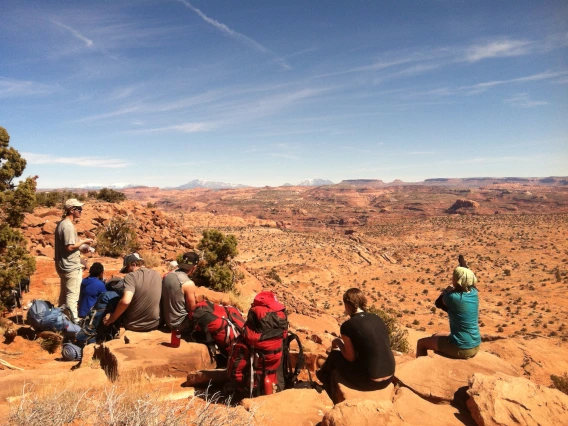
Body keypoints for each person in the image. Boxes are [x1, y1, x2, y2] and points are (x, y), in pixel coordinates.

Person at [316, 288, 395, 398]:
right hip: (389, 377)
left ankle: (322, 377)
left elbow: (350, 358)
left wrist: (338, 342)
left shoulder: (347, 326)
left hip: (369, 381)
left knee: (335, 355)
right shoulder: (377, 318)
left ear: (348, 305)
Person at [416, 265, 481, 359]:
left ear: (457, 280)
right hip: (476, 345)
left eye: (453, 277)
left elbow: (438, 303)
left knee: (421, 343)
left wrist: (448, 289)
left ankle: (420, 369)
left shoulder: (452, 297)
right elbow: (469, 279)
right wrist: (464, 267)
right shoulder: (474, 292)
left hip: (460, 348)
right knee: (435, 336)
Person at [54, 199, 93, 321]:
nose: (81, 211)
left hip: (63, 265)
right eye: (79, 209)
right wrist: (84, 241)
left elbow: (69, 246)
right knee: (72, 296)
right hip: (71, 266)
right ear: (71, 210)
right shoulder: (68, 226)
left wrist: (82, 248)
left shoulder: (62, 224)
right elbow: (69, 247)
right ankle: (73, 322)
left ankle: (60, 320)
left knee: (64, 295)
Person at [102, 253, 162, 332]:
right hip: (155, 324)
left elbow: (126, 301)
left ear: (133, 264)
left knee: (112, 298)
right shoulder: (157, 274)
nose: (127, 272)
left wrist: (112, 317)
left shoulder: (131, 277)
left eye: (127, 269)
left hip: (134, 325)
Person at [161, 252, 199, 333]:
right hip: (180, 325)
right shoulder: (188, 283)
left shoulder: (168, 275)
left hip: (166, 321)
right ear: (194, 267)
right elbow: (192, 309)